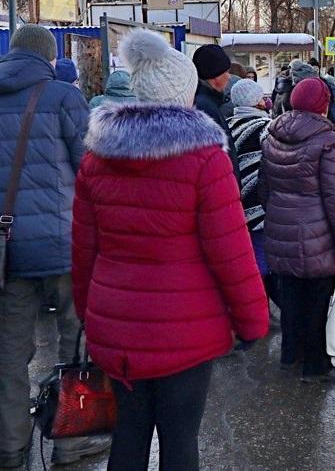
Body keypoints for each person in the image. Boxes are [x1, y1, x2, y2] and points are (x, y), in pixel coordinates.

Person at [73, 30, 268, 471]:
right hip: (186, 330)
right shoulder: (205, 158)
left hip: (116, 326)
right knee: (180, 442)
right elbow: (231, 253)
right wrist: (252, 321)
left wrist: (87, 313)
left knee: (127, 436)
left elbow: (84, 249)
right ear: (184, 91)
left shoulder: (97, 158)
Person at [0, 24, 108, 469]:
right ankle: (71, 438)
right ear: (49, 59)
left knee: (11, 347)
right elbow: (90, 166)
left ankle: (12, 445)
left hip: (6, 247)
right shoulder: (64, 97)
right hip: (62, 240)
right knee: (75, 337)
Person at [260, 77, 335, 383]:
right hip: (320, 240)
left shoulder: (272, 135)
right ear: (323, 104)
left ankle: (290, 357)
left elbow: (265, 190)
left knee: (290, 302)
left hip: (281, 234)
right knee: (318, 306)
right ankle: (316, 367)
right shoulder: (328, 142)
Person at [227, 79, 276, 306]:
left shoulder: (226, 123)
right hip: (259, 200)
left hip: (234, 200)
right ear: (256, 102)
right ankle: (256, 304)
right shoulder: (264, 127)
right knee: (261, 257)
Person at [192, 44, 234, 126]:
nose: (229, 77)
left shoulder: (203, 101)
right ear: (215, 74)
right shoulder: (206, 108)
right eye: (226, 72)